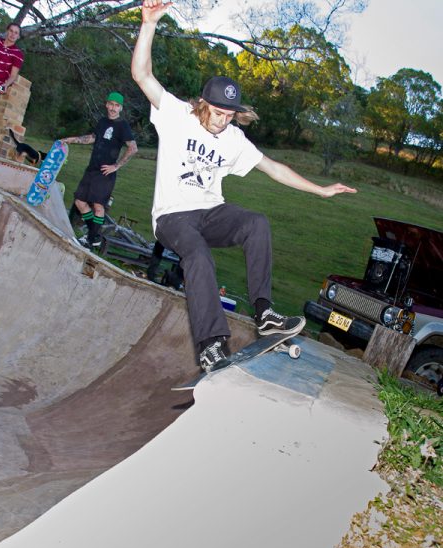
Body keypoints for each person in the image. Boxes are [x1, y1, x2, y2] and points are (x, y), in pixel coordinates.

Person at [131, 0, 357, 373]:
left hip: (210, 211)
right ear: (203, 104)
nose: (223, 122)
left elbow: (273, 168)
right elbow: (142, 74)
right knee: (198, 255)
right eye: (218, 113)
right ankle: (211, 345)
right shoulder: (176, 115)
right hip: (173, 217)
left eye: (230, 115)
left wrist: (320, 190)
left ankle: (265, 312)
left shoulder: (234, 139)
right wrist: (149, 24)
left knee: (256, 223)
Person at [62, 92, 138, 248]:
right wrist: (69, 140)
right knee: (79, 202)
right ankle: (95, 235)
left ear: (121, 108)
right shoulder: (102, 121)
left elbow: (133, 147)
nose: (113, 108)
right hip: (92, 169)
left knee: (98, 206)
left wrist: (116, 166)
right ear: (107, 105)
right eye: (111, 104)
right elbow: (92, 138)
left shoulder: (122, 126)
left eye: (117, 106)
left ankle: (90, 240)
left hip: (105, 172)